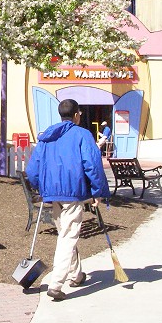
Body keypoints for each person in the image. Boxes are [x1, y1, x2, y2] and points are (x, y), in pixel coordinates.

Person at [25, 98, 111, 301]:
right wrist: (98, 191)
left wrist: (40, 187)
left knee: (65, 233)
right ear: (76, 115)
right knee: (68, 237)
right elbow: (92, 164)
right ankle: (56, 284)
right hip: (73, 193)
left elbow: (32, 169)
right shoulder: (82, 135)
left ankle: (76, 274)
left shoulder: (47, 137)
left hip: (53, 194)